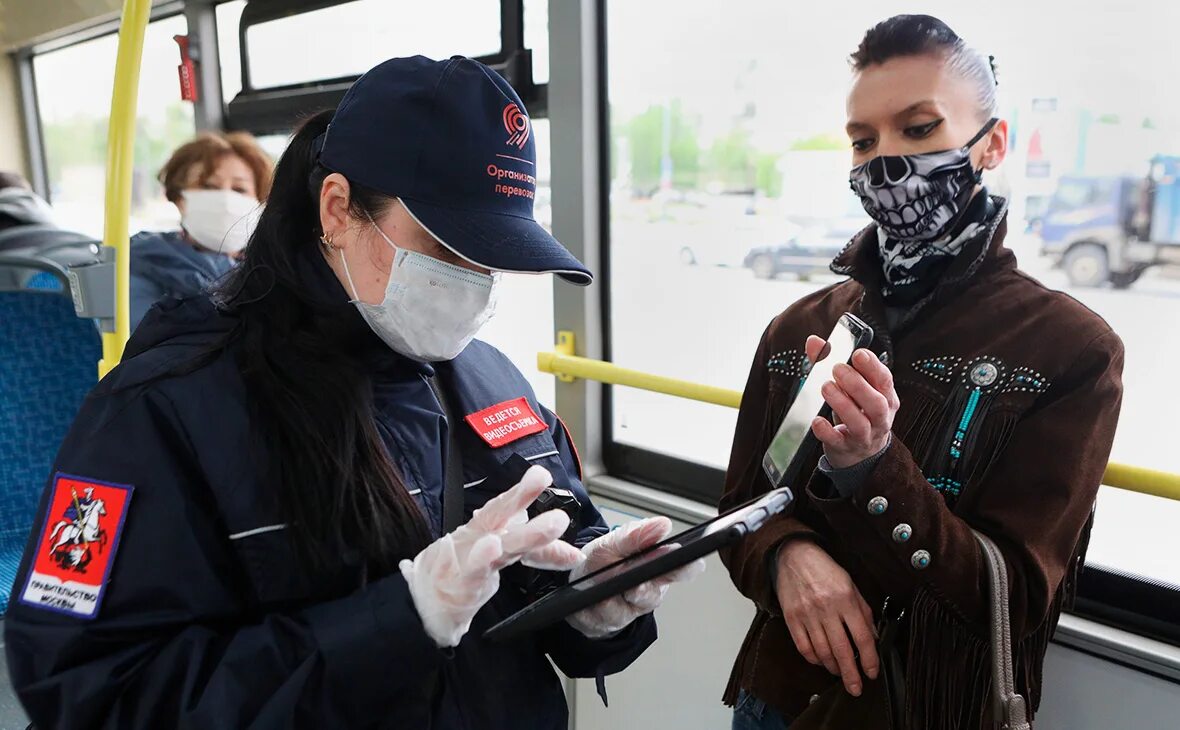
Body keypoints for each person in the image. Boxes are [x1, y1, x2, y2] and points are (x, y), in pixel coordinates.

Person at [4, 56, 700, 729]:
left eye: (493, 256)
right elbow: (91, 691)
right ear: (337, 209)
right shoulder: (162, 412)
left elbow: (552, 554)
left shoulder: (491, 383)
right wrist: (400, 620)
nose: (474, 282)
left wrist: (589, 602)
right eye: (447, 246)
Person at [720, 15, 1123, 730]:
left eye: (919, 129)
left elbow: (1017, 600)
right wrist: (786, 558)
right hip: (777, 702)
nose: (887, 163)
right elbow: (741, 508)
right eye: (863, 140)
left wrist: (875, 468)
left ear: (992, 143)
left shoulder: (1070, 351)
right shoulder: (800, 329)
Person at [129, 131, 273, 330]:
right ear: (179, 199)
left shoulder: (272, 269)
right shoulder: (144, 265)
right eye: (208, 187)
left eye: (239, 189)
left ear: (259, 202)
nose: (225, 200)